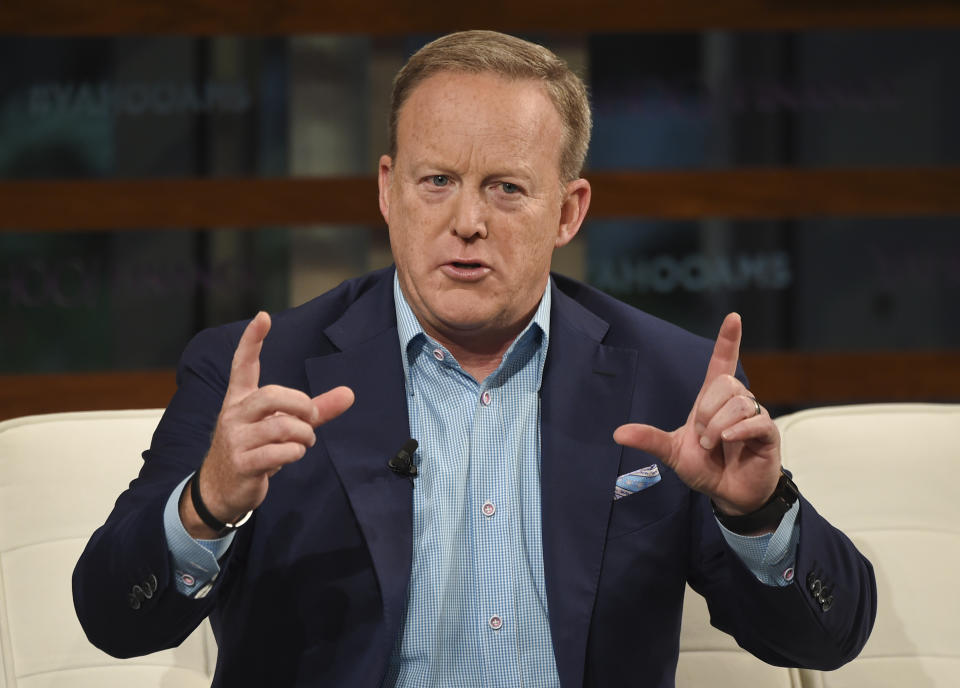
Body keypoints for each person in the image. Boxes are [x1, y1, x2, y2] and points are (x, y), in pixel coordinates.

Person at [73, 30, 876, 687]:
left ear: (568, 211)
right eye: (436, 181)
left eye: (505, 189)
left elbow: (825, 640)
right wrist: (208, 502)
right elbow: (115, 618)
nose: (466, 221)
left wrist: (757, 513)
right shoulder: (255, 370)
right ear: (387, 190)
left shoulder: (674, 380)